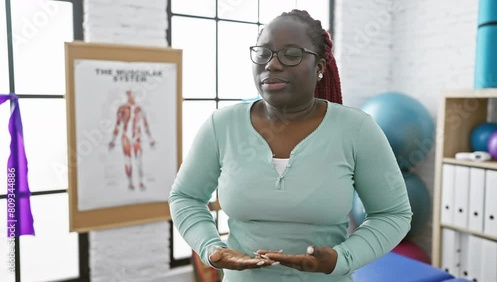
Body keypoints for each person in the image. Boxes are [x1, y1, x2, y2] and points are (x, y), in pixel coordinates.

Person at [169, 9, 412, 282]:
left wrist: (343, 258)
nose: (271, 64)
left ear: (319, 67)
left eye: (291, 54)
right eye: (263, 53)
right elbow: (185, 198)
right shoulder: (222, 126)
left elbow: (393, 214)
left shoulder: (356, 129)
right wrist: (211, 248)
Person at [109, 90, 155, 190]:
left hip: (136, 138)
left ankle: (141, 182)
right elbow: (117, 125)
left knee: (138, 160)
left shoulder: (139, 109)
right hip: (126, 137)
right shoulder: (122, 109)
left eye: (132, 95)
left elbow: (145, 124)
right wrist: (113, 140)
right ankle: (130, 183)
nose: (131, 97)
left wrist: (150, 139)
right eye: (129, 95)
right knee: (128, 160)